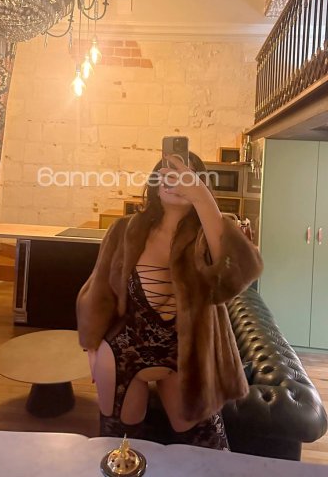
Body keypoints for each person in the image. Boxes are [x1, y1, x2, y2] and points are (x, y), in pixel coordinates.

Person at [76, 151, 263, 449]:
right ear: (155, 182)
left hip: (189, 355)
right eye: (167, 172)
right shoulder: (124, 230)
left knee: (209, 448)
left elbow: (237, 275)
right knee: (118, 447)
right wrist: (91, 344)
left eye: (185, 175)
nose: (174, 179)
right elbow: (99, 290)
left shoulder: (207, 234)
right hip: (124, 349)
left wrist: (202, 199)